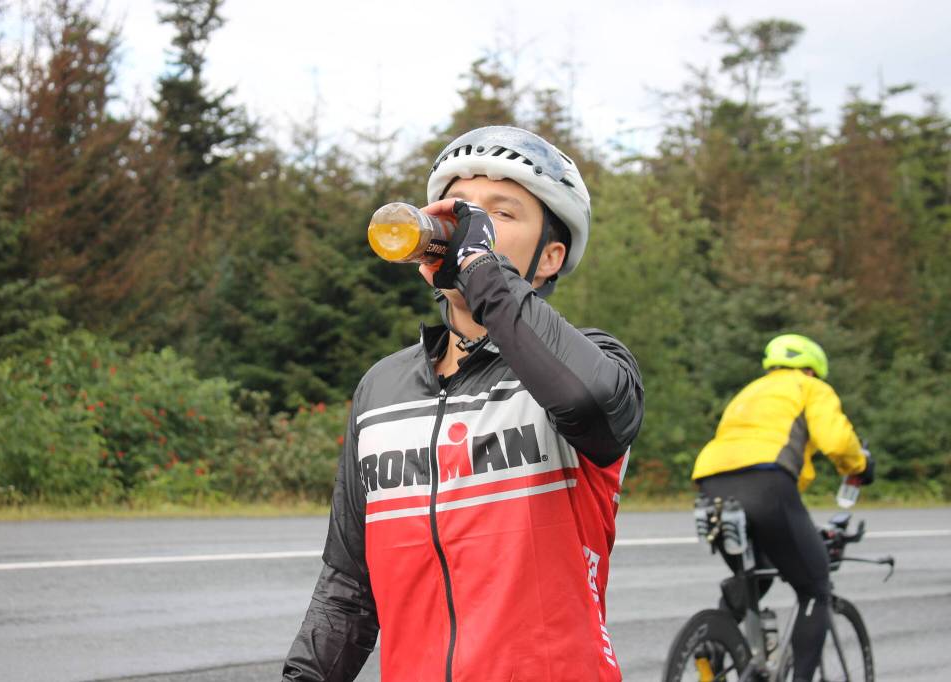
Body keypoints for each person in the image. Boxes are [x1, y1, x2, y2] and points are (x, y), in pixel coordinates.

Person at [281, 126, 644, 681]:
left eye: (502, 213)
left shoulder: (590, 359)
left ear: (549, 257)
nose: (472, 228)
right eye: (463, 210)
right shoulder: (381, 387)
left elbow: (591, 404)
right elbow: (349, 588)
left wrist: (483, 270)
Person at [691, 333, 875, 682]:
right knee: (814, 587)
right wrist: (861, 466)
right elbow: (837, 442)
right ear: (812, 369)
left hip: (710, 486)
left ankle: (713, 653)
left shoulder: (748, 392)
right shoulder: (810, 388)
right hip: (767, 485)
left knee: (752, 576)